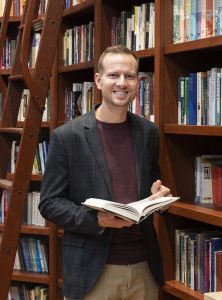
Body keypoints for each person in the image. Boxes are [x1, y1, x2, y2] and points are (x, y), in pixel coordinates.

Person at [39, 45, 171, 300]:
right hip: (92, 271)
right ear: (98, 80)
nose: (122, 83)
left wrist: (159, 198)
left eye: (130, 76)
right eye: (114, 75)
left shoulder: (148, 132)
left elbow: (151, 184)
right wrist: (95, 220)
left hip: (144, 267)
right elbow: (49, 203)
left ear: (137, 82)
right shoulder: (68, 136)